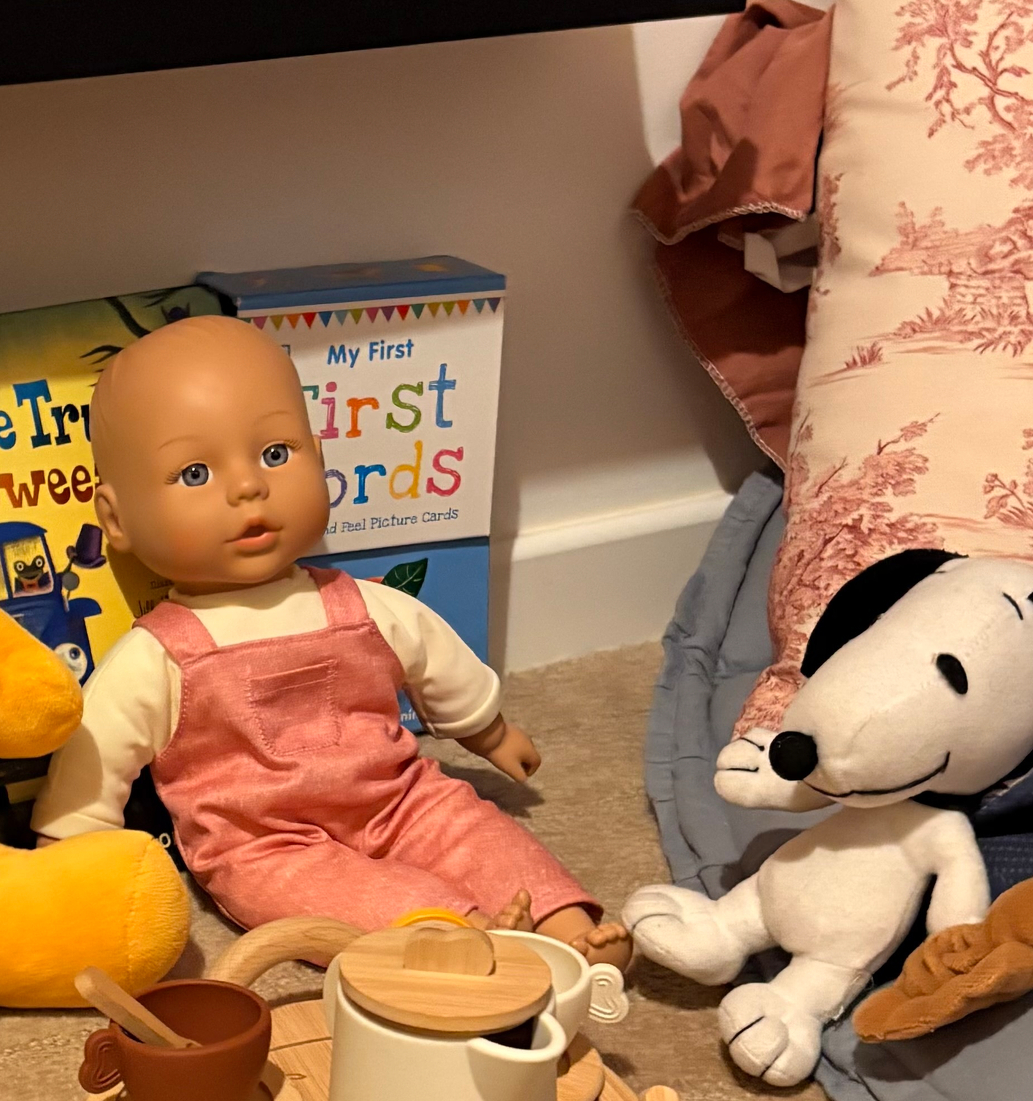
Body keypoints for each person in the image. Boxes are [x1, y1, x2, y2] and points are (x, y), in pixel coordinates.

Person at [32, 314, 629, 964]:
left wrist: (486, 730)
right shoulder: (158, 655)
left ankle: (568, 928)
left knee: (477, 832)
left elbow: (435, 658)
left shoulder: (360, 603)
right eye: (196, 474)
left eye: (275, 453)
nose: (247, 486)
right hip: (263, 844)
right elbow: (98, 751)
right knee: (349, 903)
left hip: (398, 795)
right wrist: (71, 846)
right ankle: (466, 947)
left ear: (318, 457)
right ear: (116, 519)